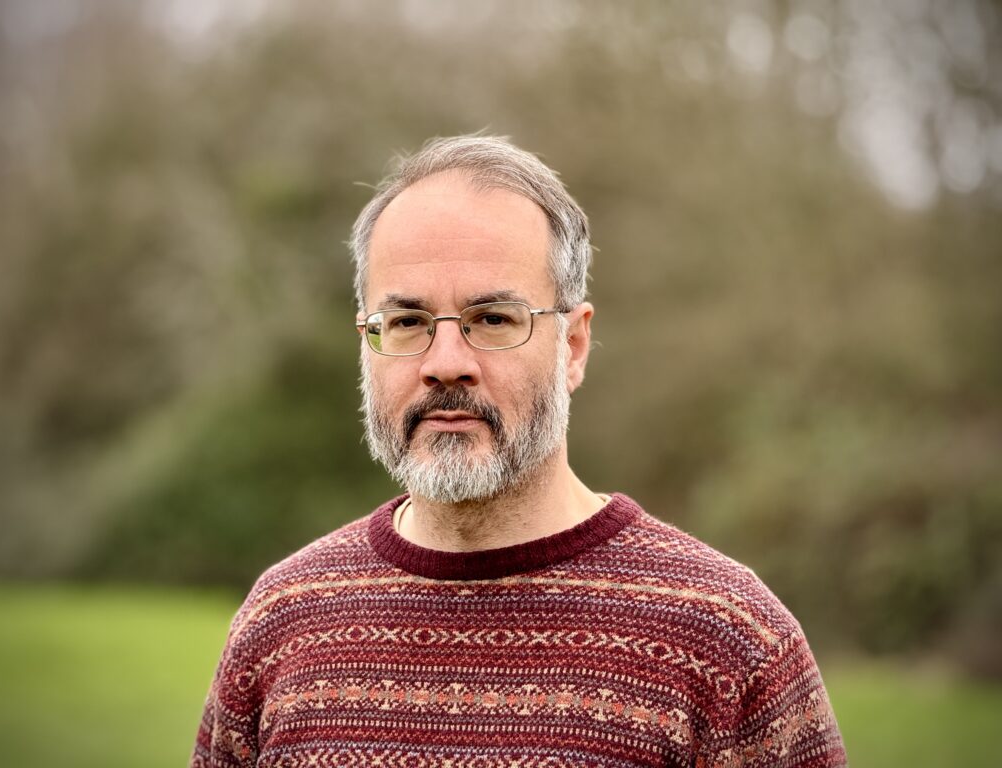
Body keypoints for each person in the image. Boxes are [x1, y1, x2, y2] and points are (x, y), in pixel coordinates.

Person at [191, 136, 847, 767]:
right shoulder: (281, 622)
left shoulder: (731, 644)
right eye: (408, 322)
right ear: (367, 341)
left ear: (574, 346)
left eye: (493, 319)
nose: (446, 364)